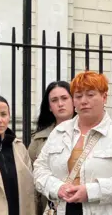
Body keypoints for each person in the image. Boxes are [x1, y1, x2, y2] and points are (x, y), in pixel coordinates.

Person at [34, 70, 112, 215]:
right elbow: (39, 169)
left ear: (104, 97)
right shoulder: (59, 132)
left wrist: (91, 191)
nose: (83, 101)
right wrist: (57, 188)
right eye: (78, 96)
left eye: (90, 95)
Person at [28, 81, 75, 214]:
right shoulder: (38, 140)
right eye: (54, 100)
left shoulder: (89, 133)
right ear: (49, 107)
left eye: (64, 98)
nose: (60, 104)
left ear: (73, 101)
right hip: (50, 207)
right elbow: (30, 179)